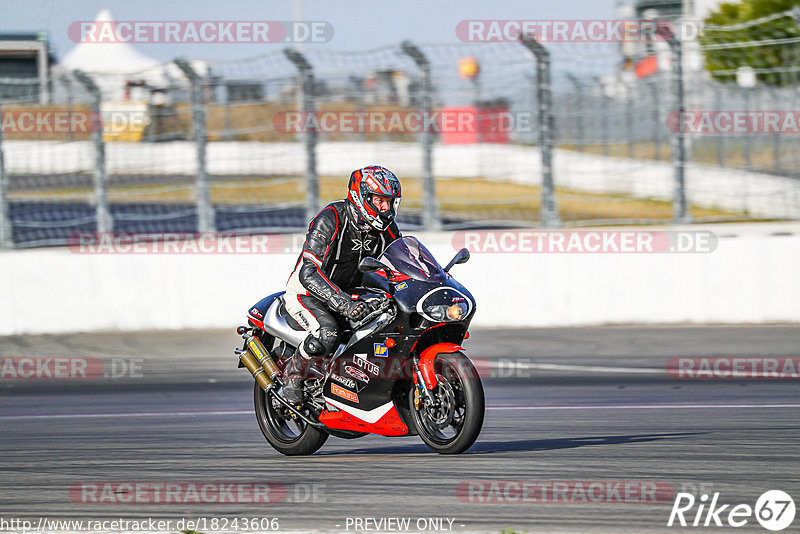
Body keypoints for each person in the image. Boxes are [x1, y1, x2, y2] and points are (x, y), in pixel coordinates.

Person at [282, 165, 403, 404]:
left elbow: (401, 260)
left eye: (390, 202)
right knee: (329, 334)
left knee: (389, 320)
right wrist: (342, 303)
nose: (386, 208)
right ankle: (293, 376)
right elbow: (309, 272)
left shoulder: (386, 228)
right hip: (307, 292)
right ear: (361, 197)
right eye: (380, 200)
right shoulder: (330, 218)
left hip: (350, 291)